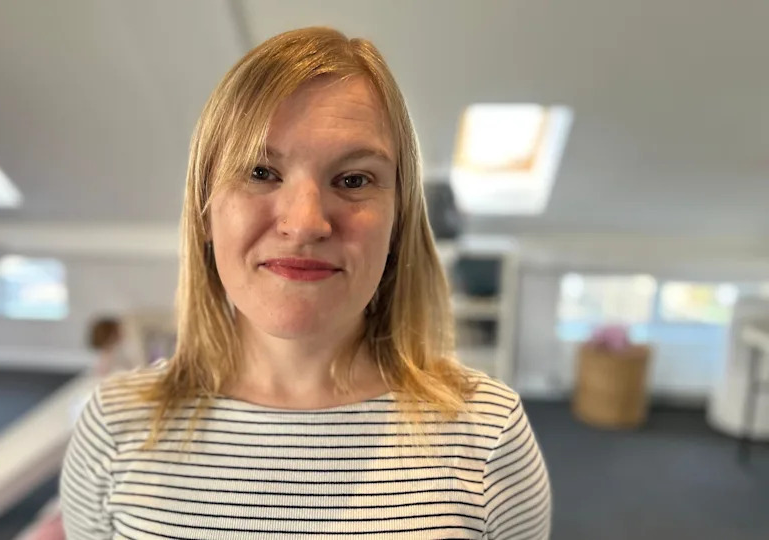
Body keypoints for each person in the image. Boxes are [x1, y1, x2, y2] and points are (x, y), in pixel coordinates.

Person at [61, 27, 551, 539]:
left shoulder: (487, 435)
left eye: (355, 179)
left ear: (397, 221)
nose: (306, 222)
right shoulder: (113, 430)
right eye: (259, 171)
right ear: (205, 210)